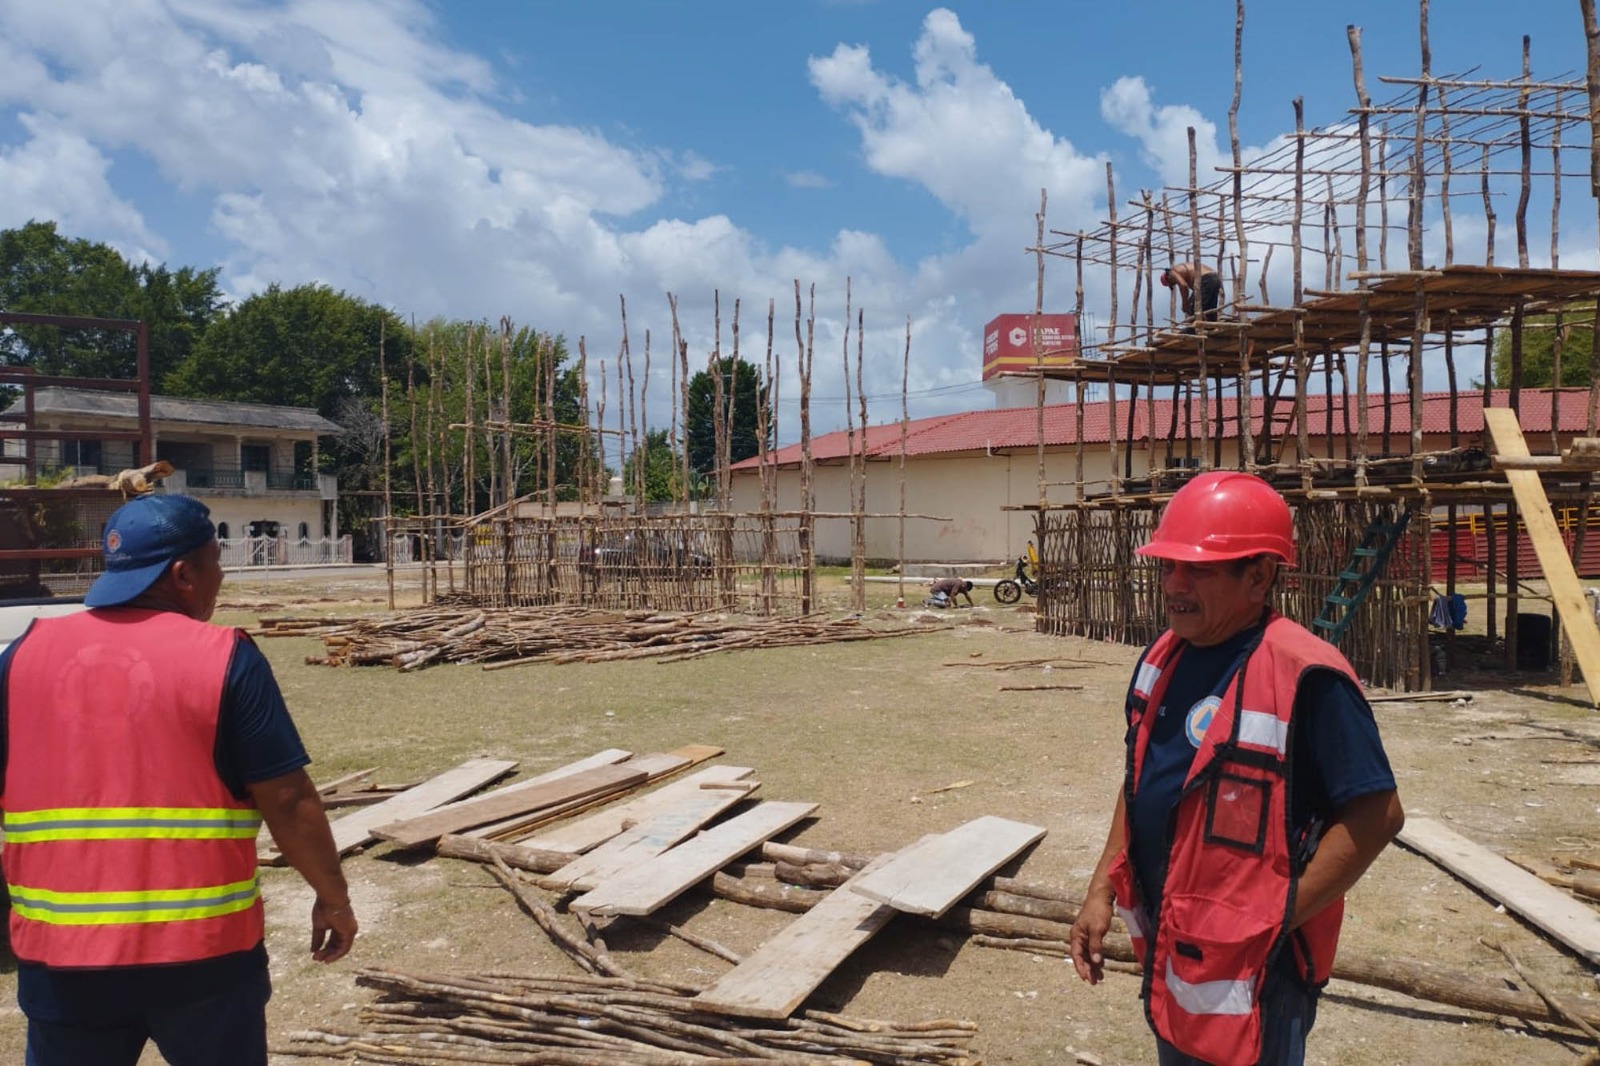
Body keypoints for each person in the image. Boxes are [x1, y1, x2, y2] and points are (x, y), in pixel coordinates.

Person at [0, 493, 357, 1065]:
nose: (222, 576)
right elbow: (289, 801)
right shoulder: (226, 658)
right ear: (184, 575)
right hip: (203, 957)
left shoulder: (20, 659)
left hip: (62, 961)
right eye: (216, 561)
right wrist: (333, 898)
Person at [1068, 471, 1404, 1066]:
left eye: (1199, 569)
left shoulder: (1309, 677)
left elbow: (1377, 816)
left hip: (1261, 972)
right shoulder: (1161, 658)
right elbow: (1138, 776)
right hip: (1177, 944)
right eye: (1169, 565)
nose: (1175, 583)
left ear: (1259, 576)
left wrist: (1272, 921)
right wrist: (1101, 889)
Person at [1160, 263, 1224, 327]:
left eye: (1171, 283)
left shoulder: (1172, 272)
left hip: (1206, 278)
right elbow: (1196, 292)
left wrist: (1185, 303)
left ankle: (1193, 329)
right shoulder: (1184, 273)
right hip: (1215, 278)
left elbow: (1183, 285)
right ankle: (1211, 326)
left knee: (1194, 308)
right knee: (1210, 309)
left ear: (1168, 277)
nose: (1174, 284)